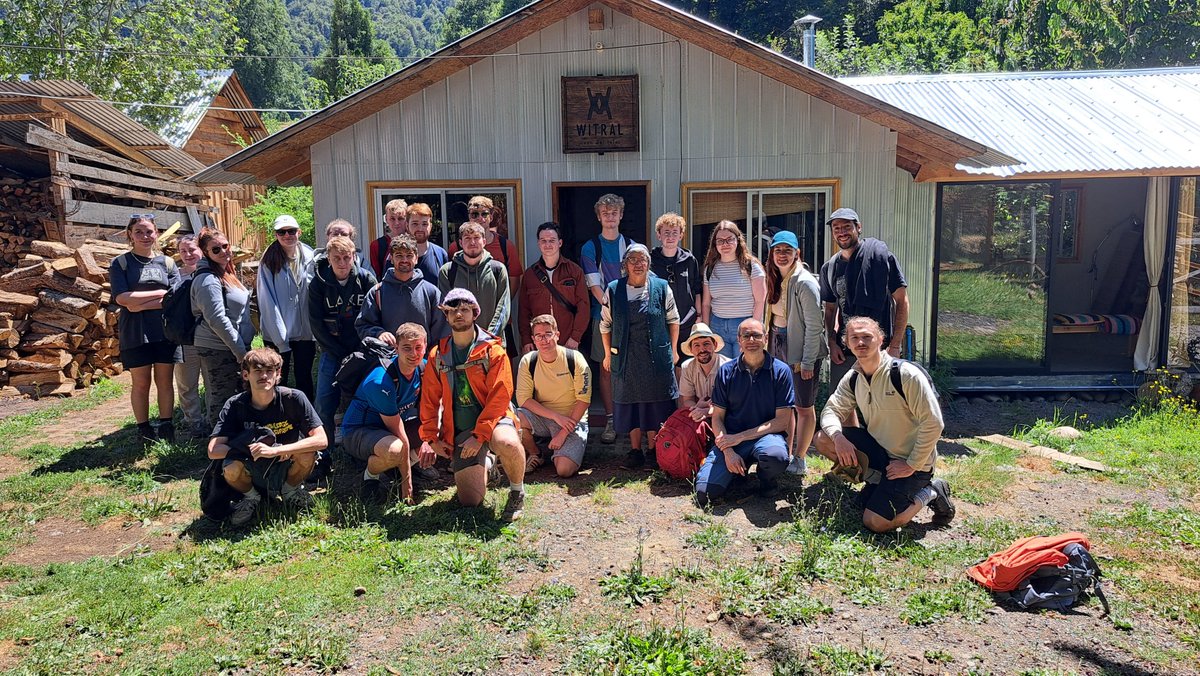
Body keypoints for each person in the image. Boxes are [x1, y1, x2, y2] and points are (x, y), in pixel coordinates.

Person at [814, 316, 954, 533]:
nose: (861, 342)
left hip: (913, 463)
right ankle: (878, 481)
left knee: (875, 522)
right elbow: (831, 410)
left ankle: (931, 491)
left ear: (880, 339)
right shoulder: (854, 377)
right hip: (880, 453)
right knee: (824, 438)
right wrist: (839, 438)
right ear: (847, 343)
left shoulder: (905, 375)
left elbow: (933, 423)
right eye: (855, 338)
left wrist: (911, 464)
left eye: (867, 337)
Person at [417, 289, 526, 521]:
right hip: (462, 431)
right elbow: (429, 399)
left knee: (506, 442)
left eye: (464, 310)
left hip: (495, 422)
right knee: (471, 501)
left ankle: (517, 491)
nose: (459, 314)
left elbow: (501, 395)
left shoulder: (493, 351)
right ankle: (488, 462)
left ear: (475, 313)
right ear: (445, 316)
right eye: (453, 310)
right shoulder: (438, 355)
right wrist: (430, 438)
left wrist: (480, 436)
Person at [208, 348, 326, 527]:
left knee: (307, 452)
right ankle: (251, 498)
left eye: (269, 371)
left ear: (278, 374)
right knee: (230, 467)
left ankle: (290, 492)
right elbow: (213, 450)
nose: (264, 376)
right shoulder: (235, 404)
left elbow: (322, 440)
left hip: (286, 462)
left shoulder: (293, 398)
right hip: (252, 464)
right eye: (257, 371)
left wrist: (278, 449)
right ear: (246, 375)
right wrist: (254, 450)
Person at [694, 319, 795, 507]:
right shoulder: (726, 371)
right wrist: (728, 451)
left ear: (765, 338)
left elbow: (782, 421)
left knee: (776, 457)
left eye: (756, 335)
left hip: (766, 437)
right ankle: (737, 471)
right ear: (739, 340)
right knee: (704, 494)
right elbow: (717, 418)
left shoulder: (781, 371)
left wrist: (740, 437)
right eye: (746, 335)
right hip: (731, 439)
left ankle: (766, 480)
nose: (751, 339)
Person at [600, 244, 680, 469]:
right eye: (632, 259)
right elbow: (605, 325)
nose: (638, 263)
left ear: (648, 264)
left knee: (654, 404)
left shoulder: (662, 288)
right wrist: (608, 354)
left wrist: (673, 350)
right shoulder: (614, 289)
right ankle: (635, 451)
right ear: (625, 265)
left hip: (655, 356)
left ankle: (654, 451)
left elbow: (673, 320)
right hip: (626, 357)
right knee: (632, 403)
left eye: (642, 259)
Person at [307, 235, 377, 477]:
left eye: (347, 257)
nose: (342, 262)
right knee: (324, 404)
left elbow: (375, 314)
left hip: (363, 350)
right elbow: (315, 324)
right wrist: (337, 352)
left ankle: (362, 452)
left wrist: (363, 349)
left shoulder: (366, 279)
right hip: (332, 350)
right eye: (336, 258)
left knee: (366, 400)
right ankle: (322, 456)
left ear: (354, 257)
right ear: (329, 258)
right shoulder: (318, 283)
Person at [110, 215, 180, 446]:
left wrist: (137, 302)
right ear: (130, 234)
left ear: (156, 233)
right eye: (138, 231)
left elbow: (175, 298)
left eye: (149, 231)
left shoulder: (167, 263)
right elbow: (121, 297)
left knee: (165, 381)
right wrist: (160, 294)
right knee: (140, 383)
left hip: (164, 332)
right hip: (135, 332)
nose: (144, 236)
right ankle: (144, 429)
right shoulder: (121, 263)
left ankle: (166, 425)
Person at [818, 207, 909, 386]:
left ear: (858, 227)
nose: (842, 232)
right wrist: (832, 342)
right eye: (836, 228)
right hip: (845, 351)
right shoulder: (829, 268)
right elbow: (829, 309)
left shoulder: (881, 259)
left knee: (882, 406)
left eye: (846, 226)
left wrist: (896, 345)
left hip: (880, 350)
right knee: (842, 406)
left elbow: (902, 301)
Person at [341, 322, 429, 504]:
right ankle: (369, 477)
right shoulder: (381, 381)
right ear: (396, 347)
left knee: (441, 427)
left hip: (392, 429)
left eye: (418, 347)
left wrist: (429, 440)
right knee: (395, 449)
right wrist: (408, 486)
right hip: (359, 431)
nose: (414, 354)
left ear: (425, 346)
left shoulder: (424, 368)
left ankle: (395, 471)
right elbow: (400, 435)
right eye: (407, 348)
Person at [763, 231, 827, 476]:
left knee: (803, 405)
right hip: (778, 342)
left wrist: (808, 360)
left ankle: (800, 457)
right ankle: (785, 453)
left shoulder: (804, 282)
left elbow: (814, 326)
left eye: (787, 251)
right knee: (784, 404)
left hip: (801, 348)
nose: (782, 255)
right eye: (777, 250)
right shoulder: (775, 277)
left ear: (797, 253)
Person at [580, 193, 635, 444]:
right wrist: (611, 310)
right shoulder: (591, 247)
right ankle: (611, 420)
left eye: (614, 213)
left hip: (630, 317)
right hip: (601, 315)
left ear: (621, 215)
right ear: (598, 216)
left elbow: (637, 282)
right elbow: (594, 285)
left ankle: (632, 419)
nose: (610, 217)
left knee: (630, 367)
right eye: (605, 213)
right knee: (605, 368)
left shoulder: (632, 246)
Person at [515, 314, 592, 478]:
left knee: (564, 471)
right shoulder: (528, 361)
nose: (544, 340)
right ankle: (536, 453)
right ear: (533, 339)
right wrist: (555, 417)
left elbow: (584, 400)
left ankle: (564, 450)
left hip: (572, 420)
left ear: (557, 335)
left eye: (548, 334)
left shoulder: (575, 359)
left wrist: (562, 433)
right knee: (513, 418)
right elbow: (524, 400)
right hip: (545, 417)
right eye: (539, 336)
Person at [192, 228, 255, 427]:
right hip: (219, 348)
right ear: (206, 252)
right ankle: (218, 446)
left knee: (238, 396)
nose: (224, 252)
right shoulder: (208, 280)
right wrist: (240, 352)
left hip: (234, 346)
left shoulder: (226, 272)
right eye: (216, 249)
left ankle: (236, 440)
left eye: (225, 246)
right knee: (222, 398)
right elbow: (217, 319)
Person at [258, 214, 316, 401]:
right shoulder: (268, 260)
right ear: (275, 235)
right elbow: (267, 301)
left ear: (299, 232)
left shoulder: (311, 257)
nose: (287, 235)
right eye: (281, 232)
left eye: (291, 231)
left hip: (305, 333)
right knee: (276, 379)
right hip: (277, 334)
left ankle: (306, 418)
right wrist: (281, 339)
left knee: (304, 378)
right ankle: (277, 418)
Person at [356, 234, 448, 346]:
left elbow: (442, 331)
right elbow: (363, 324)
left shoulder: (431, 292)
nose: (404, 260)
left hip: (423, 360)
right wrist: (378, 334)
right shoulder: (377, 292)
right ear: (391, 258)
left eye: (409, 255)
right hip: (388, 359)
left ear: (416, 257)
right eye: (399, 255)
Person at [517, 222, 589, 354]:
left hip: (568, 341)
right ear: (538, 243)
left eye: (552, 240)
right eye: (543, 241)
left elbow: (583, 306)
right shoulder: (530, 275)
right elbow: (524, 311)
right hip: (540, 344)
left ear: (560, 243)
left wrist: (575, 337)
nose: (547, 244)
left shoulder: (574, 271)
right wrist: (526, 340)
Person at [701, 220, 766, 359]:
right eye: (720, 241)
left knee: (744, 370)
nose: (725, 244)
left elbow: (760, 301)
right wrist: (706, 332)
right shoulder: (710, 269)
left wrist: (752, 331)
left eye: (729, 239)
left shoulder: (751, 266)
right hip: (717, 326)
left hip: (744, 326)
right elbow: (706, 304)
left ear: (738, 240)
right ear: (715, 244)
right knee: (723, 371)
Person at [438, 222, 510, 339]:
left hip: (492, 343)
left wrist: (488, 336)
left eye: (476, 238)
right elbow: (446, 309)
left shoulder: (497, 269)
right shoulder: (448, 271)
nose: (472, 243)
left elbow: (503, 308)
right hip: (459, 342)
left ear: (484, 241)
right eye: (467, 238)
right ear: (460, 243)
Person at [650, 213, 702, 368]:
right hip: (661, 323)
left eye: (674, 233)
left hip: (687, 321)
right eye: (666, 232)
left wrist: (699, 316)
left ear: (681, 235)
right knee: (663, 364)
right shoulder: (651, 260)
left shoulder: (689, 259)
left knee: (686, 365)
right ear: (659, 235)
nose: (670, 237)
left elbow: (696, 289)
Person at [448, 196, 522, 293]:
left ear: (490, 217)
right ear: (469, 217)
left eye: (484, 214)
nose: (480, 218)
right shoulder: (456, 247)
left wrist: (502, 304)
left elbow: (514, 280)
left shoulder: (506, 246)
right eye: (475, 214)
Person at [172, 233, 207, 437]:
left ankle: (214, 420)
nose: (188, 254)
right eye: (183, 251)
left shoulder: (213, 273)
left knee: (212, 381)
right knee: (187, 383)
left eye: (192, 249)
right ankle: (193, 422)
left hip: (210, 336)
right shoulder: (175, 276)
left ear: (201, 250)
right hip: (185, 338)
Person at [677, 323, 731, 423]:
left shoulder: (728, 367)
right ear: (691, 350)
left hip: (726, 415)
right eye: (696, 345)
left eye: (706, 344)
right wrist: (697, 408)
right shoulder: (687, 367)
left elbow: (733, 404)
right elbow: (687, 400)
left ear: (714, 345)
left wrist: (707, 411)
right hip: (698, 413)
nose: (702, 349)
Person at [407, 202, 449, 282]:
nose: (420, 228)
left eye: (424, 224)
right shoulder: (398, 256)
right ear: (407, 226)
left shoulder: (440, 254)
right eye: (415, 224)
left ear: (431, 226)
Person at [369, 199, 408, 278]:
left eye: (400, 218)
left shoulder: (415, 242)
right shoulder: (376, 245)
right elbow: (376, 276)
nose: (396, 223)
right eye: (392, 219)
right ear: (386, 219)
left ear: (407, 219)